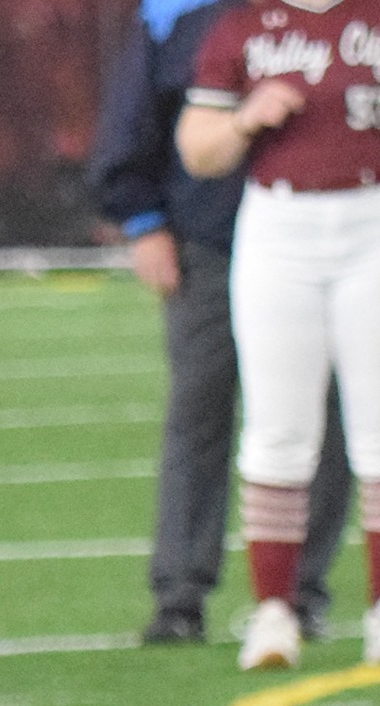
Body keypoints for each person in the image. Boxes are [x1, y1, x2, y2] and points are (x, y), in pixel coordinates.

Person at [86, 0, 350, 648]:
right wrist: (142, 221)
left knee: (333, 419)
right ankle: (180, 596)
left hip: (330, 250)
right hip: (210, 242)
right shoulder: (180, 12)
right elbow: (136, 116)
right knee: (199, 410)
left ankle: (296, 592)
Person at [176, 0, 380, 669]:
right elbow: (198, 150)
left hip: (370, 217)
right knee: (277, 427)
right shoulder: (239, 26)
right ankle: (274, 613)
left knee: (377, 429)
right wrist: (244, 117)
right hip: (279, 223)